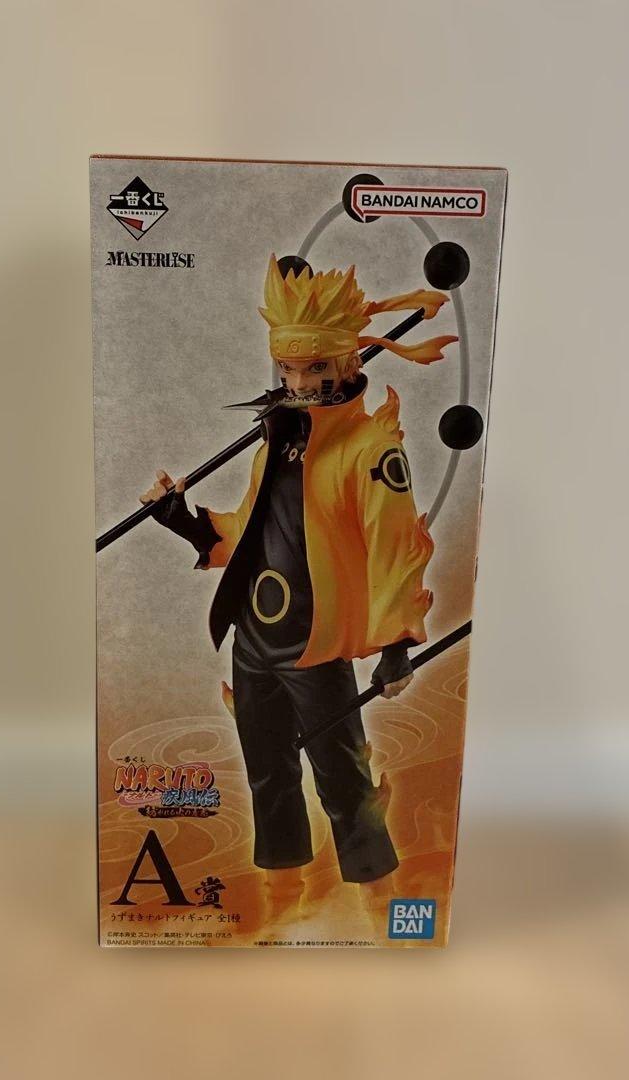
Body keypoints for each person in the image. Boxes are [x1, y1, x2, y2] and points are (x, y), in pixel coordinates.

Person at [140, 256, 455, 922]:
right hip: (254, 642)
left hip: (316, 645)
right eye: (288, 369)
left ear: (347, 363)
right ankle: (283, 899)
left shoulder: (369, 451)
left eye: (315, 369)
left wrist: (396, 645)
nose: (300, 383)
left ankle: (379, 901)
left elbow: (394, 547)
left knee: (342, 778)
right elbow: (250, 533)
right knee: (267, 773)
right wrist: (184, 522)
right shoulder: (274, 448)